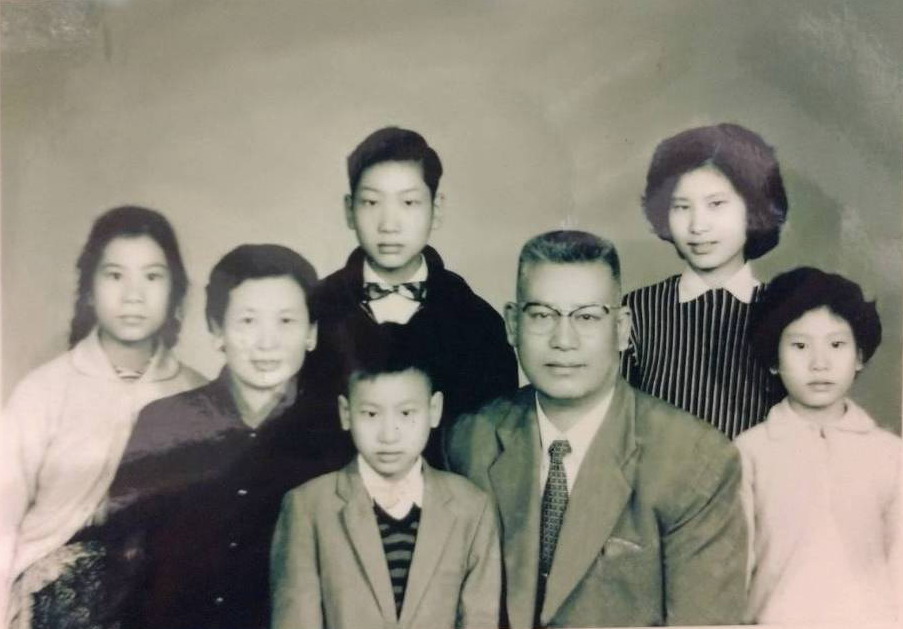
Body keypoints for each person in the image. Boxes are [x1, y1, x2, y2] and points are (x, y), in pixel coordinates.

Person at [446, 230, 747, 628]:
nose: (563, 340)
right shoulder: (471, 441)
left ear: (621, 328)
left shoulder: (697, 462)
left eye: (587, 316)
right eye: (542, 315)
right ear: (513, 324)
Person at [105, 244, 352, 629]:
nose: (267, 343)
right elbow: (125, 557)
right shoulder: (164, 423)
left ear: (311, 333)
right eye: (248, 321)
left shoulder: (337, 432)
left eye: (286, 321)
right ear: (217, 330)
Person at [0, 206, 206, 629]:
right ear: (90, 289)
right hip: (51, 599)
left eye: (152, 277)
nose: (133, 295)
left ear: (175, 291)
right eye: (115, 275)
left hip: (161, 599)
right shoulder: (43, 391)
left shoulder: (198, 395)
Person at [304, 126, 518, 467]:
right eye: (371, 202)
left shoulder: (478, 322)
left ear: (437, 208)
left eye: (408, 202)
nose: (389, 224)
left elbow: (495, 449)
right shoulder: (312, 310)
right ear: (349, 210)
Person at [271, 324, 501, 629]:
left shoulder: (472, 507)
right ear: (345, 413)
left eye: (406, 413)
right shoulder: (308, 507)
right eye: (371, 414)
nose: (389, 435)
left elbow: (480, 620)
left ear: (434, 410)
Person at [735, 267, 900, 624]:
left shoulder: (890, 455)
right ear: (773, 359)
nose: (819, 364)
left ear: (859, 355)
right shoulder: (749, 453)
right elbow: (734, 570)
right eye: (800, 346)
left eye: (837, 345)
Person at [621, 123, 789, 438]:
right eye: (681, 207)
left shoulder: (786, 313)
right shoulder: (639, 310)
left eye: (716, 204)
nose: (698, 225)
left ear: (755, 207)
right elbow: (617, 426)